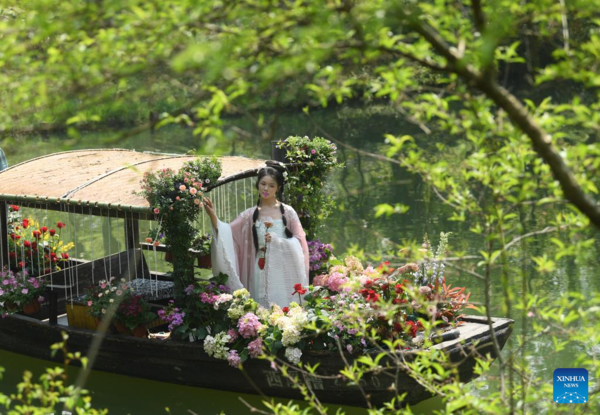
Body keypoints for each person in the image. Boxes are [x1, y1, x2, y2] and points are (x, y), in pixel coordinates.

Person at [203, 165, 309, 307]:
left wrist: (278, 242)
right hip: (260, 267)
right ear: (257, 185)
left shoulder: (288, 212)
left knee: (284, 308)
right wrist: (213, 216)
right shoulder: (249, 215)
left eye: (271, 186)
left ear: (278, 188)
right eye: (263, 184)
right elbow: (228, 232)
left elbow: (300, 242)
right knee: (262, 307)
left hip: (283, 268)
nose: (266, 189)